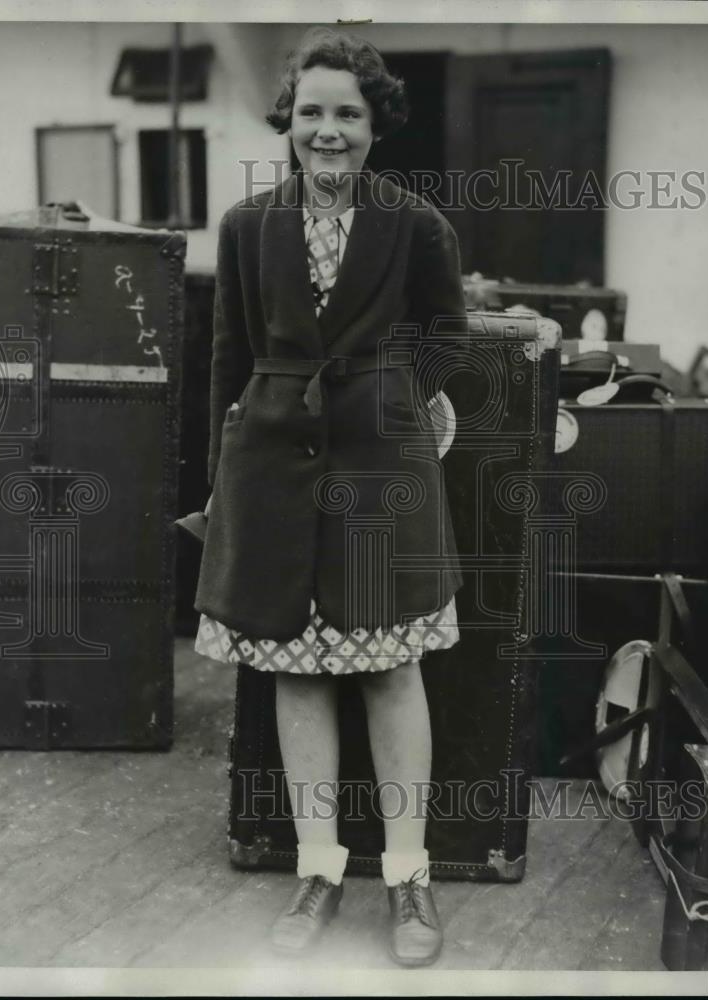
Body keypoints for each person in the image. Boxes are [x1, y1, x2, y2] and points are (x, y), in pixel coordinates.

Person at [193, 26, 467, 968]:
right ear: (288, 120)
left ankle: (407, 876)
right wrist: (222, 482)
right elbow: (227, 361)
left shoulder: (418, 226)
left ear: (373, 124)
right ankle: (318, 867)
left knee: (391, 673)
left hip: (381, 485)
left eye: (346, 114)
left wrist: (386, 404)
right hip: (271, 479)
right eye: (310, 112)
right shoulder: (244, 229)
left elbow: (444, 340)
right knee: (298, 672)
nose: (327, 132)